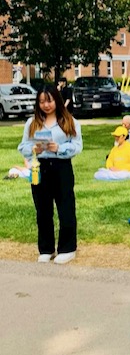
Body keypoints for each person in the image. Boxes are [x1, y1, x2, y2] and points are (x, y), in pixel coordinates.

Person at [17, 85, 83, 264]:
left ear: (57, 100)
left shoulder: (69, 121)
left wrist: (59, 148)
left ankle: (67, 248)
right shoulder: (32, 123)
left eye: (49, 100)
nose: (46, 105)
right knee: (43, 210)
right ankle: (46, 248)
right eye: (41, 102)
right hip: (40, 167)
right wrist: (33, 148)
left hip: (61, 167)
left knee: (65, 207)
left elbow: (77, 146)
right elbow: (22, 147)